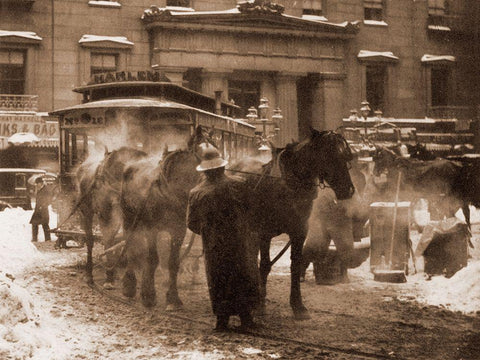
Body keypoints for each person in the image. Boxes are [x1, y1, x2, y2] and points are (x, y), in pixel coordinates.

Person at [186, 147, 260, 331]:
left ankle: (222, 321)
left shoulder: (196, 192)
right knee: (242, 275)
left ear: (205, 171)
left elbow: (191, 223)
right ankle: (246, 319)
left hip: (213, 245)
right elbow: (252, 211)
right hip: (239, 241)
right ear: (221, 168)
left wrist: (208, 232)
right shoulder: (239, 184)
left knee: (218, 278)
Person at [30, 177, 52, 242]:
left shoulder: (46, 190)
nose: (36, 185)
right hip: (38, 210)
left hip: (43, 210)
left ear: (41, 183)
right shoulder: (39, 189)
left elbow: (49, 200)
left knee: (45, 224)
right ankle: (34, 238)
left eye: (37, 183)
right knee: (34, 224)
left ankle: (48, 239)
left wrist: (43, 205)